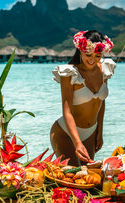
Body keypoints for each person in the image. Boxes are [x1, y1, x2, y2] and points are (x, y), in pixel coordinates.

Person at [51, 30, 116, 166]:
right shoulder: (70, 73)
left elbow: (101, 103)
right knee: (75, 177)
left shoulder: (104, 69)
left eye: (98, 56)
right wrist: (78, 143)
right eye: (88, 55)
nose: (92, 60)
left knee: (90, 179)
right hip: (66, 133)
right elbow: (66, 111)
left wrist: (100, 132)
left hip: (91, 132)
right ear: (80, 51)